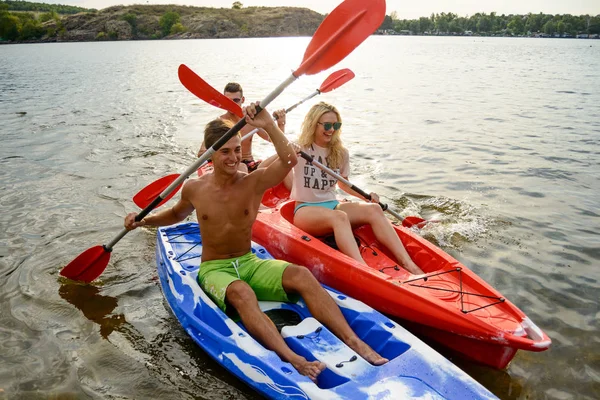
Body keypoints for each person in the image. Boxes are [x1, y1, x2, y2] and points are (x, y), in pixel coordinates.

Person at [125, 102, 387, 382]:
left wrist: (269, 125)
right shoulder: (194, 188)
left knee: (301, 274)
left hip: (248, 261)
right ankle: (293, 358)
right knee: (242, 294)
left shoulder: (251, 182)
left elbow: (289, 161)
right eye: (225, 151)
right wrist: (144, 221)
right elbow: (176, 214)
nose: (233, 157)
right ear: (210, 155)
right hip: (215, 269)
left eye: (237, 150)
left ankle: (354, 341)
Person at [288, 102, 424, 275]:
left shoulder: (340, 152)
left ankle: (409, 264)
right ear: (314, 124)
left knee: (374, 209)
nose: (332, 130)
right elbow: (278, 152)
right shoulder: (300, 148)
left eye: (336, 125)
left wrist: (366, 198)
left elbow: (343, 183)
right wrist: (289, 149)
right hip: (305, 209)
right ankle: (365, 271)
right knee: (340, 217)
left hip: (332, 204)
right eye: (328, 125)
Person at [196, 82, 287, 172]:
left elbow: (275, 140)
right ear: (223, 100)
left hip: (249, 164)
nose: (232, 104)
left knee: (284, 158)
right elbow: (201, 154)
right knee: (241, 167)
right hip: (228, 164)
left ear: (242, 100)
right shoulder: (219, 123)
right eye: (228, 101)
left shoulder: (251, 121)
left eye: (236, 100)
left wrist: (281, 124)